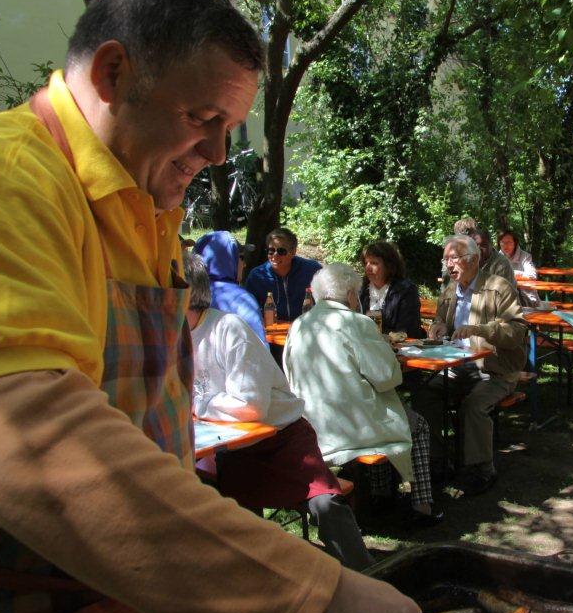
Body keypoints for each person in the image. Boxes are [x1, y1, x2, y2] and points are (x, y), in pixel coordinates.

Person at [0, 0, 418, 613]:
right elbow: (26, 441)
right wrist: (309, 595)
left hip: (130, 599)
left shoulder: (146, 203)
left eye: (230, 126)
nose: (220, 152)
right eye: (204, 118)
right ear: (113, 73)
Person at [185, 253, 373, 570]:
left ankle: (367, 575)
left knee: (325, 503)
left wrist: (199, 404)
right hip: (232, 451)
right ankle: (264, 579)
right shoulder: (172, 336)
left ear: (185, 291)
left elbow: (251, 405)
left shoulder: (227, 329)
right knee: (229, 514)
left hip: (282, 439)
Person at [285, 264, 443, 527]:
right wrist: (389, 356)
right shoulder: (357, 323)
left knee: (380, 410)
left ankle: (381, 494)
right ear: (350, 295)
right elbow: (386, 376)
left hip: (313, 424)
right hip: (351, 427)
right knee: (417, 425)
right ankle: (422, 505)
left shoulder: (299, 325)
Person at [412, 235, 528, 495]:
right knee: (424, 396)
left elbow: (516, 331)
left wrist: (482, 330)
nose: (449, 264)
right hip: (457, 367)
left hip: (495, 369)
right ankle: (437, 460)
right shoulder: (449, 290)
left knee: (474, 406)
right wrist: (438, 327)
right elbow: (441, 321)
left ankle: (482, 469)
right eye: (446, 259)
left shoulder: (498, 288)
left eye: (454, 258)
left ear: (474, 259)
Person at [194, 230, 266, 343]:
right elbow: (259, 347)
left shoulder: (186, 293)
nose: (244, 264)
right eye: (241, 257)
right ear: (229, 260)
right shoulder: (242, 299)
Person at [245, 227, 321, 322]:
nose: (275, 255)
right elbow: (249, 310)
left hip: (307, 327)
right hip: (272, 329)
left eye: (281, 251)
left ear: (293, 252)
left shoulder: (312, 270)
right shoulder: (257, 276)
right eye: (271, 251)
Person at [358, 241, 426, 339]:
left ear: (389, 266)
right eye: (366, 263)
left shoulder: (405, 290)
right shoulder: (361, 289)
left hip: (397, 347)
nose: (368, 268)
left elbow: (408, 330)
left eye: (374, 263)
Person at [498, 228, 539, 307]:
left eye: (509, 242)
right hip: (503, 297)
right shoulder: (497, 257)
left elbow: (532, 276)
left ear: (515, 243)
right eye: (503, 242)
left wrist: (512, 273)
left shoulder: (525, 256)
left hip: (526, 297)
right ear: (499, 243)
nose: (506, 245)